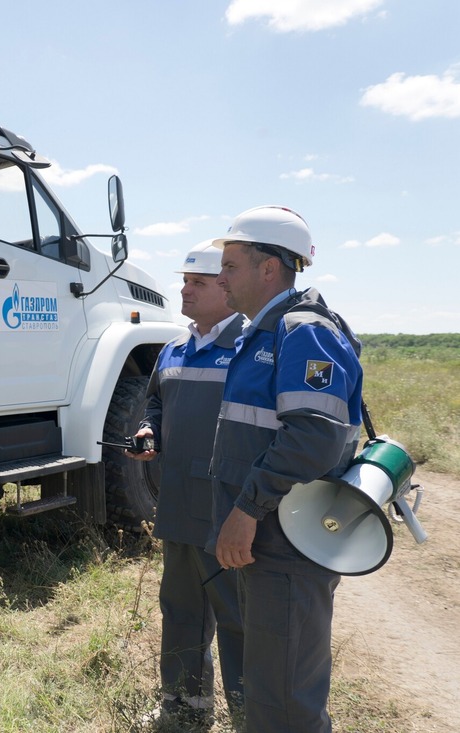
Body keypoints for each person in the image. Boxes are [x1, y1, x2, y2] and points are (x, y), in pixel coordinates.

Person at [208, 206, 363, 733]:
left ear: (269, 267)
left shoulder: (302, 332)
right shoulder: (266, 331)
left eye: (230, 265)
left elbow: (313, 437)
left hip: (285, 543)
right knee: (270, 684)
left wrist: (247, 507)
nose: (220, 276)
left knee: (286, 700)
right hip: (269, 540)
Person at [127, 241, 245, 727]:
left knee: (238, 617)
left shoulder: (250, 348)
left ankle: (248, 710)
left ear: (226, 287)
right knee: (180, 607)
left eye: (197, 282)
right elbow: (155, 401)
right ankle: (184, 704)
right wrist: (148, 428)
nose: (184, 289)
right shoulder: (175, 348)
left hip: (227, 510)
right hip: (177, 504)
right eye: (184, 280)